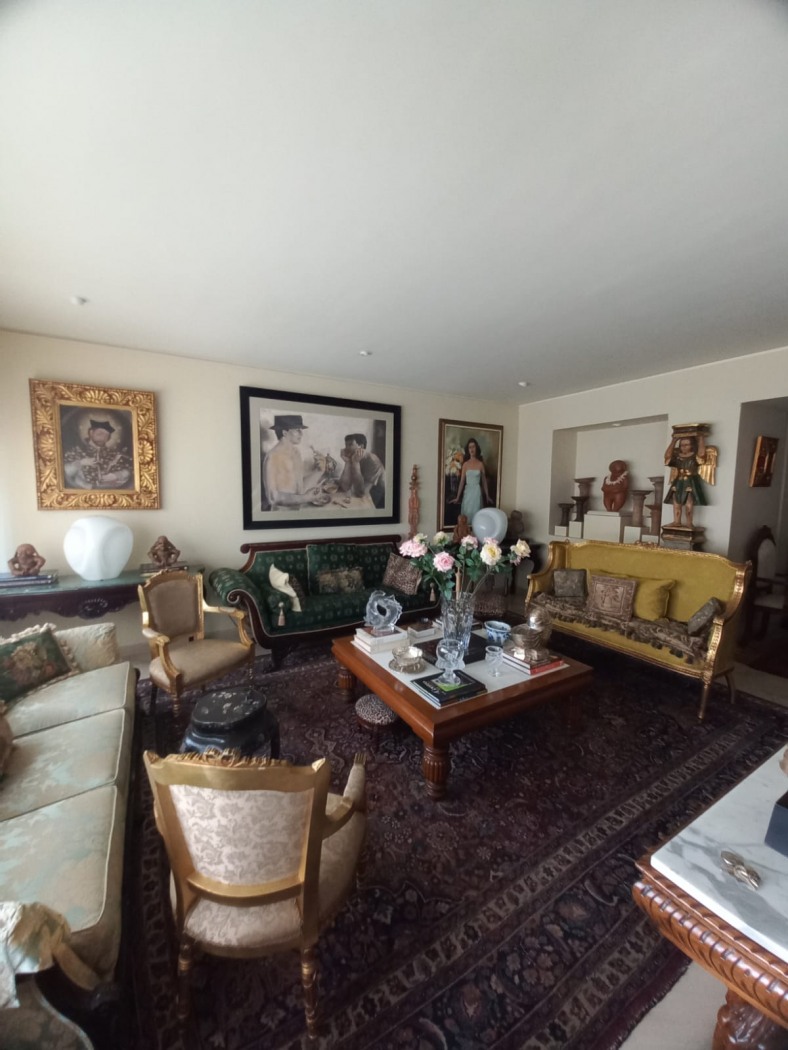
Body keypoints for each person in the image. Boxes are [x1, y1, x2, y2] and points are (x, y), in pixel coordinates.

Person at [263, 415, 326, 510]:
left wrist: (319, 471)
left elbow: (300, 488)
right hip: (281, 515)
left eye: (301, 430)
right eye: (297, 430)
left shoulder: (296, 453)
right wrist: (306, 498)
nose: (301, 433)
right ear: (284, 433)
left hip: (299, 510)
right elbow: (272, 498)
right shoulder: (272, 457)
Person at [62, 418, 133, 490]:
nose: (103, 437)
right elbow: (66, 472)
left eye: (106, 435)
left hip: (109, 491)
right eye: (100, 433)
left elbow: (128, 471)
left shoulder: (113, 454)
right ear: (91, 433)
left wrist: (116, 475)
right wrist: (81, 462)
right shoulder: (77, 450)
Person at [663, 432, 708, 527]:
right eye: (682, 445)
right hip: (678, 481)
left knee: (689, 504)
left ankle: (689, 523)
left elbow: (702, 455)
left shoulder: (694, 456)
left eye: (686, 444)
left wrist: (701, 439)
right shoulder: (677, 457)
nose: (683, 447)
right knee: (676, 503)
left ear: (692, 445)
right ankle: (676, 521)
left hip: (690, 481)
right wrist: (673, 441)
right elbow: (667, 457)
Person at [337, 433, 385, 508]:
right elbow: (345, 486)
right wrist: (347, 462)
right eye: (346, 445)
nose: (346, 448)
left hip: (378, 499)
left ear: (361, 446)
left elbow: (361, 493)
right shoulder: (353, 457)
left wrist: (355, 463)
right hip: (362, 495)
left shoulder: (373, 462)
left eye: (350, 444)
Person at [450, 438, 491, 521]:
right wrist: (457, 497)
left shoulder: (480, 464)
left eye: (473, 447)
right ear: (468, 449)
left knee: (476, 515)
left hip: (477, 492)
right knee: (466, 514)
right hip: (468, 492)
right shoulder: (465, 464)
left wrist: (487, 495)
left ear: (476, 448)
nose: (472, 449)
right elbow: (462, 481)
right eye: (470, 447)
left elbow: (484, 481)